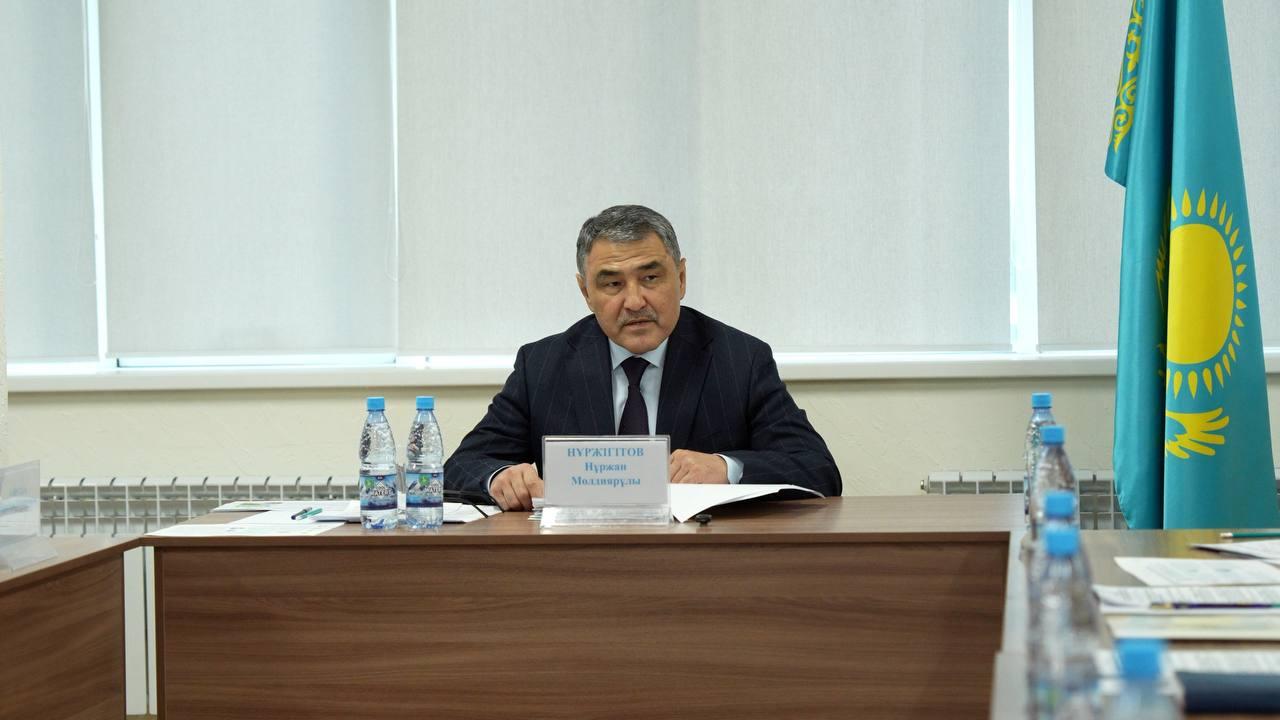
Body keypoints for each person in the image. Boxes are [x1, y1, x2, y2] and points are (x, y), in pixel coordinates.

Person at [444, 205, 841, 511]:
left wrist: (726, 468)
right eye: (613, 284)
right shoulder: (543, 365)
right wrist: (500, 478)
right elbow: (461, 467)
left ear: (680, 279)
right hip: (579, 564)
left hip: (698, 565)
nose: (634, 301)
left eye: (650, 278)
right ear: (586, 293)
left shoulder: (739, 359)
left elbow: (817, 469)